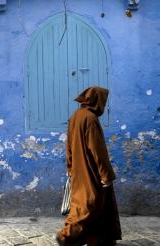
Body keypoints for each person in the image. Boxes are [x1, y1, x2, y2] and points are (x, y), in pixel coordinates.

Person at [56, 86, 122, 246]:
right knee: (89, 204)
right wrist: (106, 175)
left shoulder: (76, 116)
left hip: (78, 170)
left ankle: (99, 239)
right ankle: (66, 235)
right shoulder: (90, 118)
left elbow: (69, 145)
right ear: (96, 101)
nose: (103, 106)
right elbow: (98, 150)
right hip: (91, 171)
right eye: (102, 102)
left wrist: (70, 167)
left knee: (94, 204)